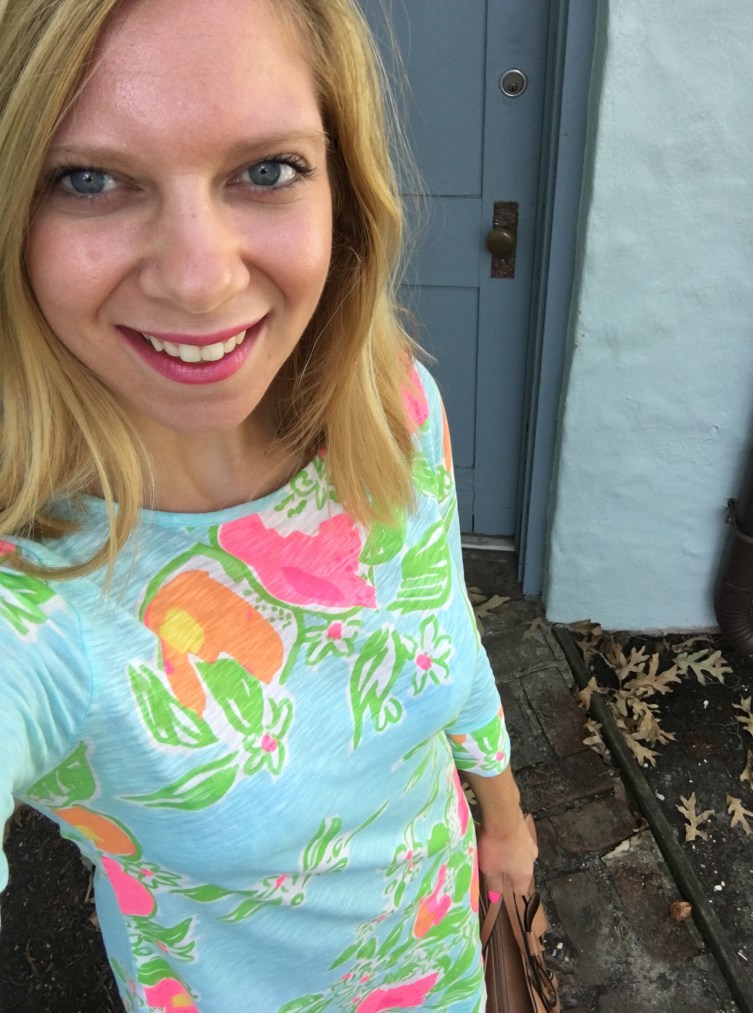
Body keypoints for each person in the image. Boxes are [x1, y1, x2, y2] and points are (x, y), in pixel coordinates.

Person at [0, 0, 538, 1009]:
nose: (201, 281)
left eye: (266, 169)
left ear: (342, 191)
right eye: (88, 179)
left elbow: (448, 639)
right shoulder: (34, 601)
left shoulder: (389, 407)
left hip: (442, 951)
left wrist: (503, 823)